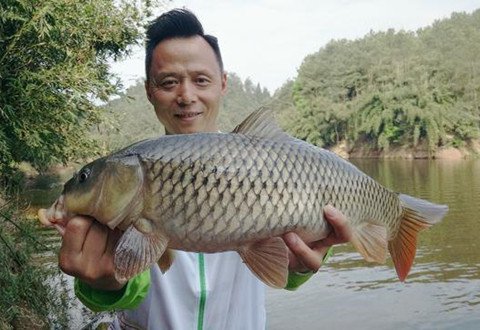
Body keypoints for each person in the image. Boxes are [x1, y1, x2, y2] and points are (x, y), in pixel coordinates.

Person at [56, 8, 352, 329]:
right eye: (169, 82)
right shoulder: (127, 179)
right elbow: (114, 290)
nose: (186, 96)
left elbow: (290, 270)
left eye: (200, 80)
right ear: (149, 91)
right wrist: (105, 282)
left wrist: (301, 266)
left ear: (222, 84)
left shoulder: (269, 165)